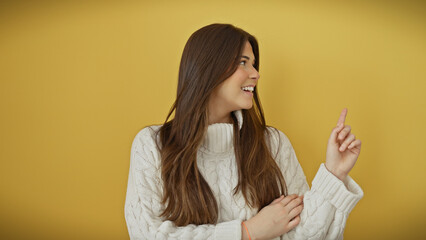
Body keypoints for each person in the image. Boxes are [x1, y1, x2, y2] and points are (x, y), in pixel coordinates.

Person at [124, 23, 363, 240]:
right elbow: (147, 234)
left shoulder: (273, 143)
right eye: (243, 62)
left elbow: (304, 234)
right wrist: (248, 231)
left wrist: (333, 173)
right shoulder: (152, 145)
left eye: (254, 64)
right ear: (208, 69)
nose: (256, 74)